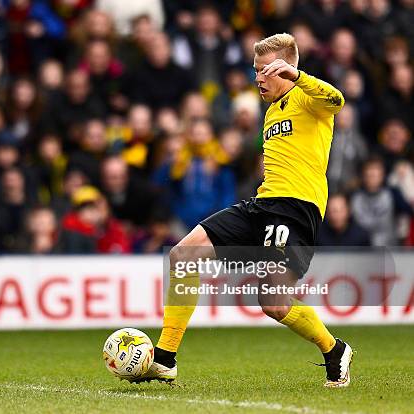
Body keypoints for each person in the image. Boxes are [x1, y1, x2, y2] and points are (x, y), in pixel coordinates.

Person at [136, 33, 353, 388]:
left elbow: (338, 99)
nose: (258, 78)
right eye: (256, 71)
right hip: (262, 204)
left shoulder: (309, 100)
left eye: (265, 71)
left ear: (286, 68)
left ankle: (334, 350)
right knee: (182, 255)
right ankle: (164, 358)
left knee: (273, 302)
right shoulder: (271, 111)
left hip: (295, 209)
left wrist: (300, 77)